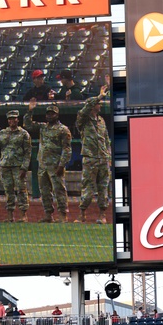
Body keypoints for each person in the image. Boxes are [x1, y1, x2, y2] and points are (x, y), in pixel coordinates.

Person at [24, 101, 72, 223]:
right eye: (48, 114)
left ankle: (62, 215)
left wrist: (62, 165)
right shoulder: (43, 127)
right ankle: (48, 214)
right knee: (44, 191)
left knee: (59, 190)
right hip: (43, 164)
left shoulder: (63, 130)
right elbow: (28, 125)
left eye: (53, 114)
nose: (50, 116)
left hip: (56, 165)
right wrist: (30, 111)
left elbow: (67, 149)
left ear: (57, 115)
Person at [74, 85, 112, 224]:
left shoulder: (101, 121)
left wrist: (109, 156)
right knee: (87, 188)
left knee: (103, 188)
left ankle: (102, 215)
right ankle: (82, 213)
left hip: (102, 159)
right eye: (98, 103)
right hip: (90, 159)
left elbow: (106, 140)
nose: (100, 105)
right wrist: (100, 95)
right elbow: (86, 107)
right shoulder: (83, 119)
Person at [0, 109, 32, 223]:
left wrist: (24, 167)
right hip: (5, 165)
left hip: (18, 165)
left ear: (18, 119)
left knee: (21, 189)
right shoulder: (2, 133)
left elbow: (28, 152)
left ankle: (23, 214)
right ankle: (9, 215)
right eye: (10, 119)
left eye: (14, 118)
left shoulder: (23, 134)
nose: (12, 121)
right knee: (8, 190)